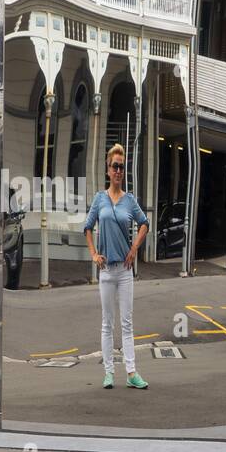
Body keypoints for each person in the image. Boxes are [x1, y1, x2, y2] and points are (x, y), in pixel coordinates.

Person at [83, 143, 150, 390]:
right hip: (106, 271)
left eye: (122, 166)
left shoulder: (129, 201)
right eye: (115, 166)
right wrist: (93, 254)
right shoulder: (99, 199)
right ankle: (109, 372)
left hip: (124, 271)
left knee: (127, 323)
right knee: (107, 323)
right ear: (108, 170)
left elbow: (145, 224)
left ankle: (131, 372)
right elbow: (87, 227)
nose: (119, 170)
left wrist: (134, 250)